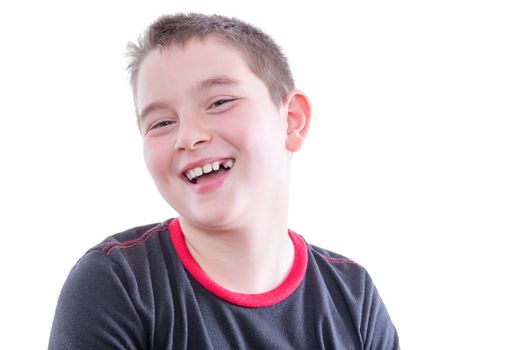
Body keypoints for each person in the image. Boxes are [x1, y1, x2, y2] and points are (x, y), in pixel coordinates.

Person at [49, 13, 400, 349]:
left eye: (219, 102)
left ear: (291, 121)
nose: (187, 136)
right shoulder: (117, 285)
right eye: (161, 123)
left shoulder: (353, 297)